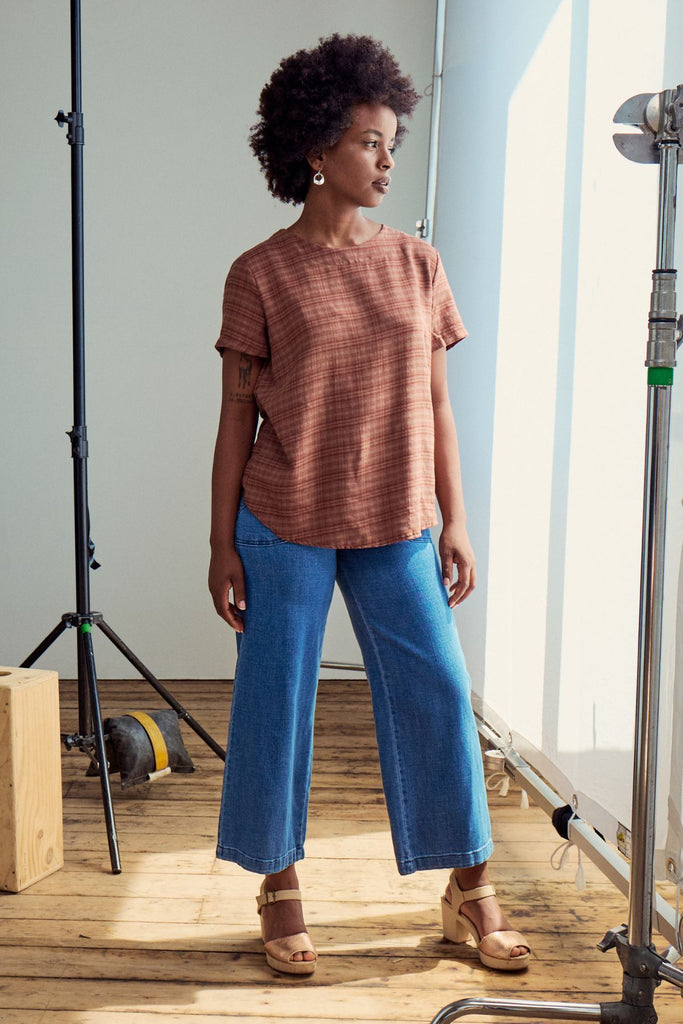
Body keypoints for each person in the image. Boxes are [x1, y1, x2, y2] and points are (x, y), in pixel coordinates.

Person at [209, 33, 530, 977]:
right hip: (282, 518)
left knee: (437, 692)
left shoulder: (416, 264)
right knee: (276, 701)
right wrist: (220, 543)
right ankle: (278, 883)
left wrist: (455, 519)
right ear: (316, 149)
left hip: (397, 516)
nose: (388, 160)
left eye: (393, 143)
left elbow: (437, 405)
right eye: (369, 142)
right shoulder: (258, 273)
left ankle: (469, 890)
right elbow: (234, 419)